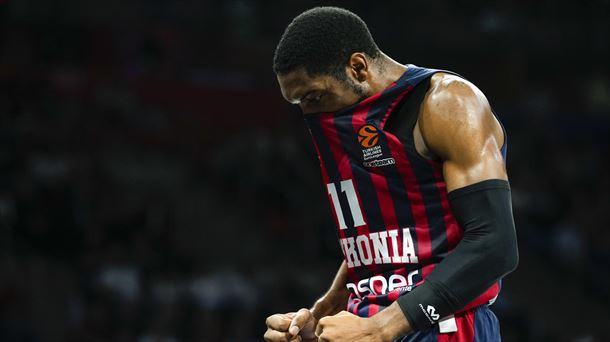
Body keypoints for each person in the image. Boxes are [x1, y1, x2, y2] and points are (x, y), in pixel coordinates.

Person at [265, 7, 519, 342]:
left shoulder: (446, 102)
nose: (309, 114)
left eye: (313, 96)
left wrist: (383, 326)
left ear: (358, 68)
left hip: (445, 327)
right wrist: (329, 309)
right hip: (378, 323)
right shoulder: (345, 118)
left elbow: (495, 244)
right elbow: (392, 233)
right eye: (298, 103)